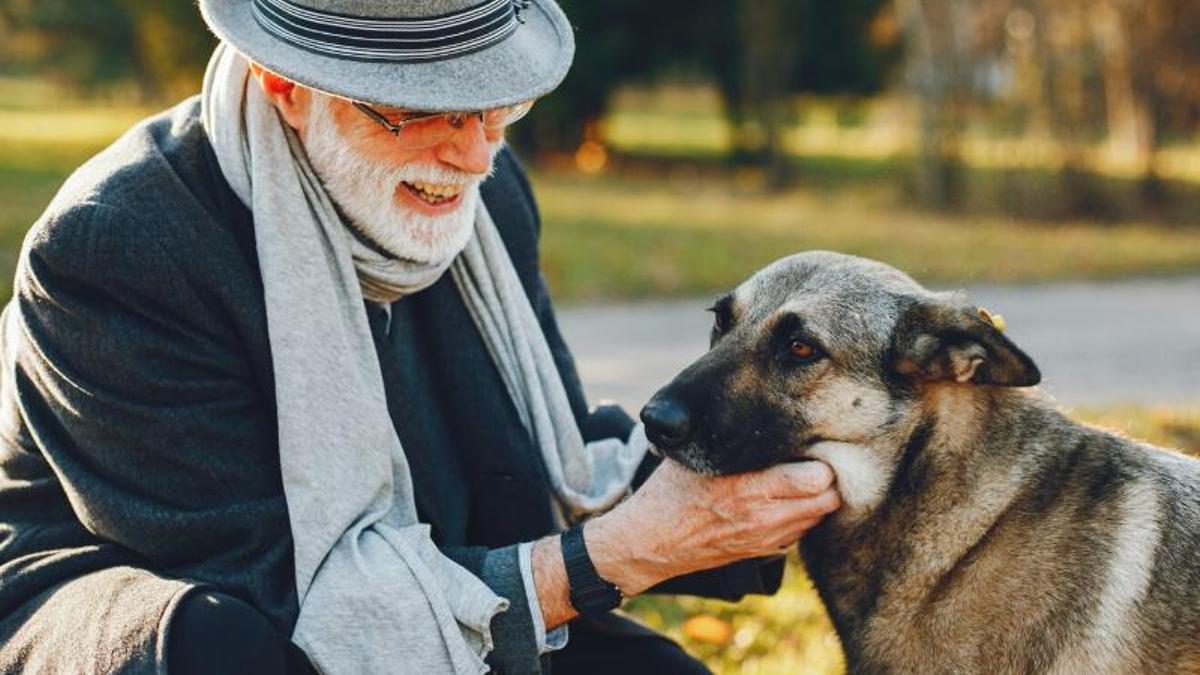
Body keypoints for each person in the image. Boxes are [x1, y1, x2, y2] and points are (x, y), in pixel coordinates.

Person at [0, 0, 841, 673]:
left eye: (497, 105)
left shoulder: (485, 186)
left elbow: (542, 463)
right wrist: (609, 558)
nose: (474, 155)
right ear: (287, 86)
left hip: (446, 569)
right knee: (222, 650)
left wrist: (773, 475)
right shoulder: (118, 245)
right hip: (171, 610)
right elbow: (278, 600)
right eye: (425, 111)